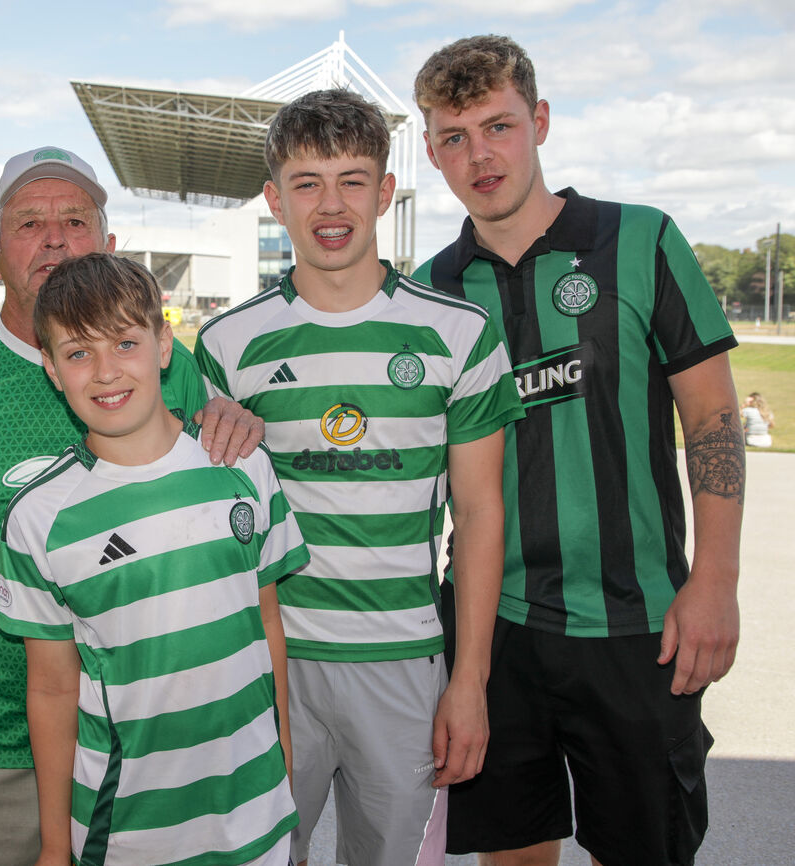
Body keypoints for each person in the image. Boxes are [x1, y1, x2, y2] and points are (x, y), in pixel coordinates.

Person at [412, 35, 744, 866]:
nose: (480, 155)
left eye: (499, 126)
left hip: (637, 623)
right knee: (514, 853)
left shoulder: (641, 241)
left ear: (541, 121)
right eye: (455, 137)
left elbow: (711, 418)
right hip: (496, 630)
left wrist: (716, 581)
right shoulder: (432, 291)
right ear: (432, 152)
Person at [0, 145, 263, 866]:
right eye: (29, 223)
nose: (54, 237)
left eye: (75, 221)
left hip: (130, 737)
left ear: (110, 247)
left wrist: (233, 419)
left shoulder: (163, 365)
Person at [196, 89, 523, 866]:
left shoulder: (460, 335)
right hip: (269, 662)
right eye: (307, 182)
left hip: (404, 665)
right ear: (275, 199)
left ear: (384, 193)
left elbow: (480, 517)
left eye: (352, 179)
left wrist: (469, 683)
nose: (330, 204)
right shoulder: (227, 344)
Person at [0, 252, 305, 865]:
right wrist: (56, 847)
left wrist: (285, 771)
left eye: (125, 343)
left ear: (165, 345)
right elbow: (53, 689)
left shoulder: (242, 464)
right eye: (78, 353)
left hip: (256, 814)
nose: (105, 372)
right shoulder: (39, 518)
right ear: (52, 370)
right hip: (127, 833)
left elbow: (267, 627)